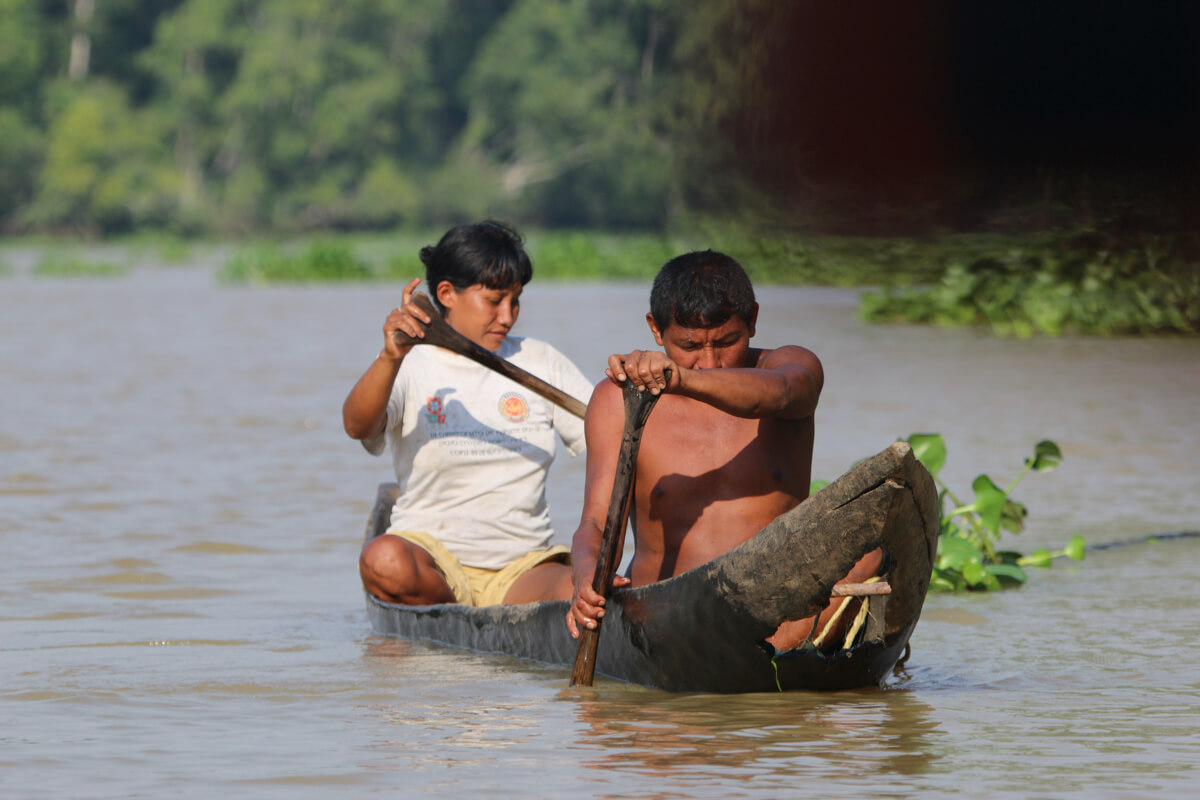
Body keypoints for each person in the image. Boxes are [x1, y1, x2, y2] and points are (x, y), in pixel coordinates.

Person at [566, 250, 883, 652]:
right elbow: (594, 525)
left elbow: (786, 392)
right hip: (666, 619)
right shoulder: (618, 399)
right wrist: (584, 578)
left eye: (728, 342)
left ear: (752, 319)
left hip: (782, 610)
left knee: (871, 552)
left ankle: (784, 642)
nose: (711, 363)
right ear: (655, 329)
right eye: (690, 345)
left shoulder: (787, 367)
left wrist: (682, 378)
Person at [345, 221, 592, 607]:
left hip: (522, 568)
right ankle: (450, 608)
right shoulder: (411, 363)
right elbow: (357, 426)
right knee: (383, 559)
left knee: (584, 590)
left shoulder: (540, 360)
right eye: (494, 301)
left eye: (516, 300)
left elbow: (610, 434)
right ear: (447, 294)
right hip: (431, 564)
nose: (508, 316)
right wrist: (389, 356)